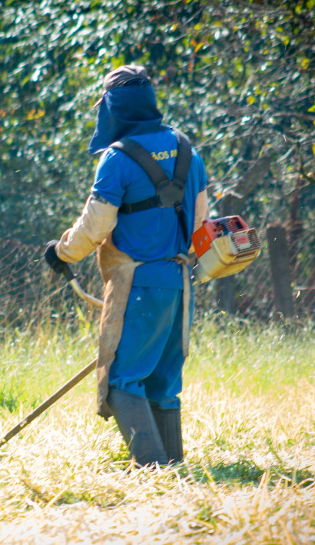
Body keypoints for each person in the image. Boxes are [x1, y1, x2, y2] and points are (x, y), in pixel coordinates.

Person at [44, 65, 208, 466]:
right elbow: (201, 224)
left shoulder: (117, 159)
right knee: (162, 382)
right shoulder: (188, 150)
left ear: (112, 107)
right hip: (179, 282)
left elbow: (96, 225)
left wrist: (62, 253)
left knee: (121, 380)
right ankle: (172, 465)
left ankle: (152, 467)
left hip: (137, 284)